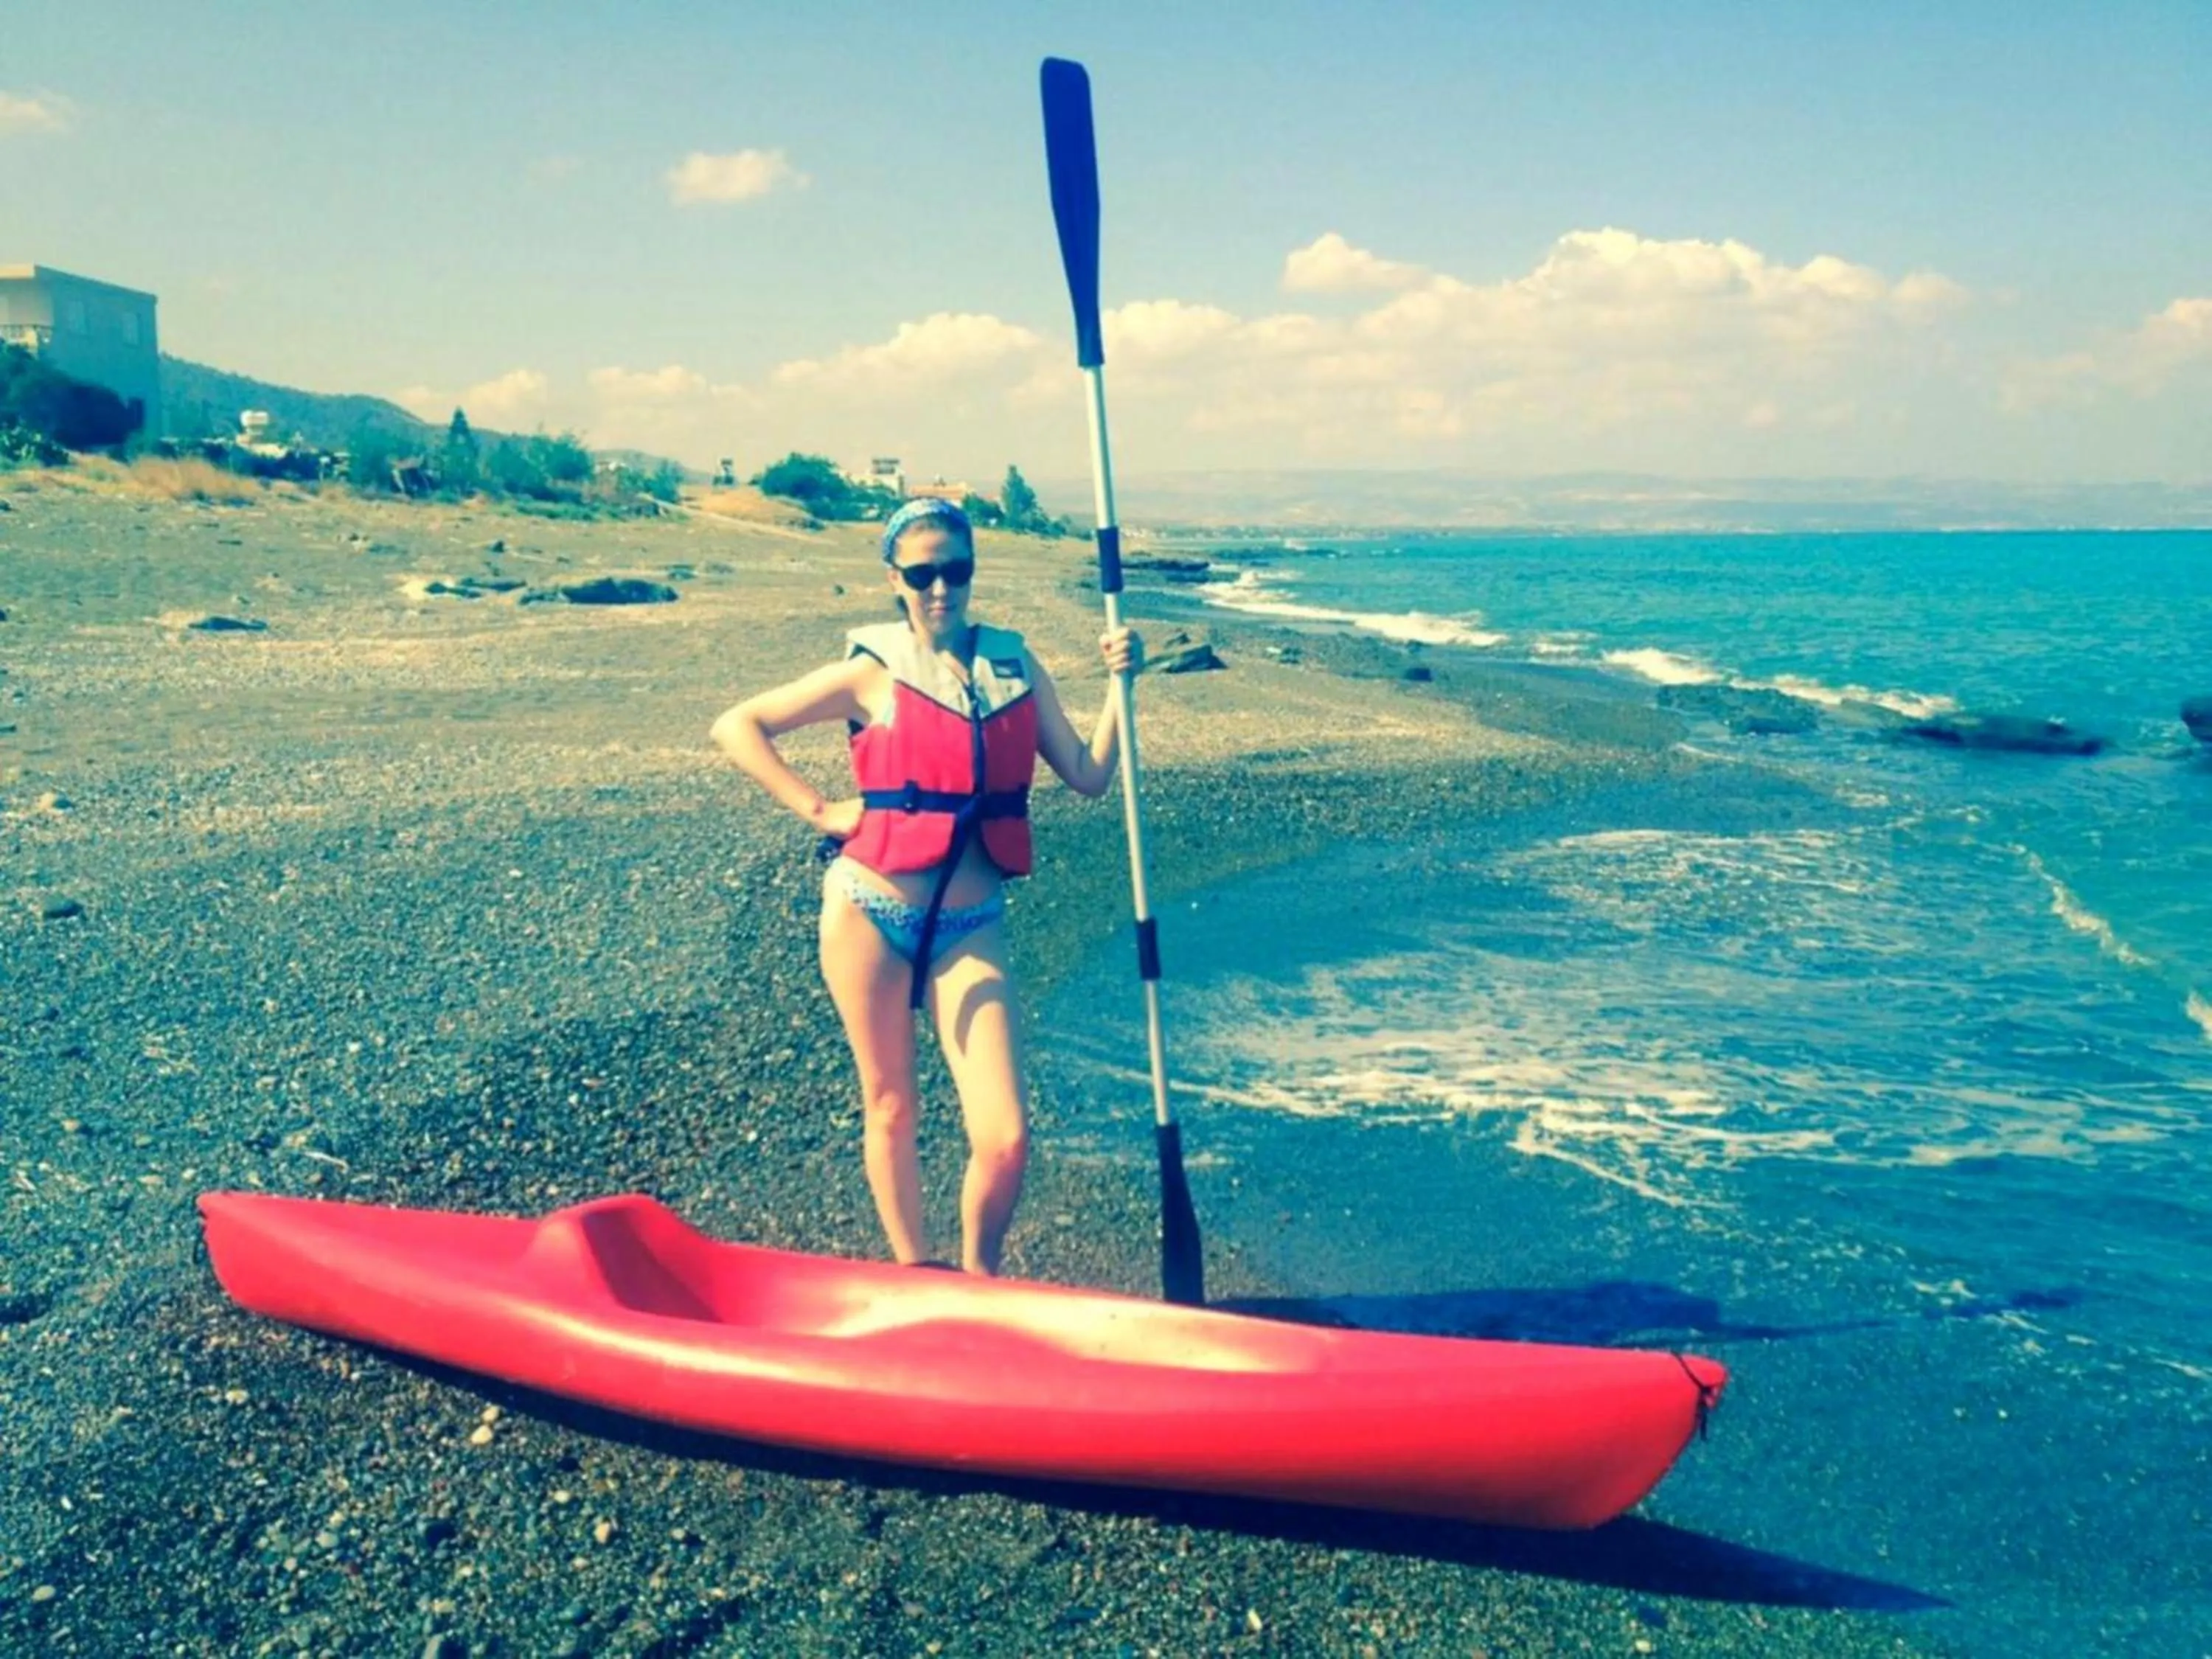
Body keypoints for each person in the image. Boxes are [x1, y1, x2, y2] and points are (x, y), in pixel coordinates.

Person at [712, 498, 1141, 1275]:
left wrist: (1121, 688)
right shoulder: (870, 673)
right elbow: (738, 725)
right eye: (922, 574)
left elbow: (1088, 774)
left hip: (971, 924)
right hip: (869, 911)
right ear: (895, 579)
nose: (941, 588)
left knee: (1006, 1138)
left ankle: (978, 1277)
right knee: (891, 1106)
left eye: (956, 570)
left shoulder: (1012, 665)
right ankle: (913, 1272)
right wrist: (819, 809)